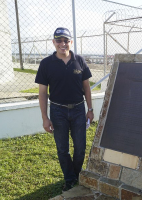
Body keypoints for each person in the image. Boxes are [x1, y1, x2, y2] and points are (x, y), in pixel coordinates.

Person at [35, 27, 94, 192]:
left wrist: (89, 109)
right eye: (59, 40)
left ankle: (75, 174)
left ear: (71, 42)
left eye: (66, 40)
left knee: (81, 147)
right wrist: (45, 118)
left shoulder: (80, 61)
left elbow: (87, 88)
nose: (63, 44)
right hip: (57, 111)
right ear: (53, 42)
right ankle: (70, 180)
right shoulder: (46, 64)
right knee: (62, 148)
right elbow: (42, 92)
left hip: (78, 110)